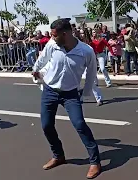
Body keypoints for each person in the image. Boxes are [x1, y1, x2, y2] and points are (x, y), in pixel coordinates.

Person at [32, 18, 101, 179]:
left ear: (65, 34)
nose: (51, 38)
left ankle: (95, 162)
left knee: (79, 124)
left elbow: (91, 74)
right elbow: (43, 60)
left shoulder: (86, 51)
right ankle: (58, 156)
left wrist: (85, 95)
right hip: (49, 90)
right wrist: (37, 71)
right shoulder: (53, 44)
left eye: (54, 35)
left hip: (70, 94)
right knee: (46, 125)